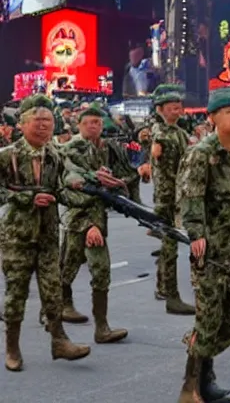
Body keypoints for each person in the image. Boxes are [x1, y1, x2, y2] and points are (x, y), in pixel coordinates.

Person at [175, 85, 230, 403]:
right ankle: (192, 388)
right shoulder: (201, 154)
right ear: (213, 117)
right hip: (210, 250)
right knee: (209, 318)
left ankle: (201, 361)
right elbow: (191, 196)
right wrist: (196, 234)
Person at [1, 94, 91, 372]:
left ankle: (59, 341)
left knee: (53, 290)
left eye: (48, 121)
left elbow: (65, 186)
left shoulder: (55, 155)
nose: (43, 126)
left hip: (49, 234)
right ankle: (12, 347)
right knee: (16, 292)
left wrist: (81, 191)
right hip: (17, 235)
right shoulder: (7, 156)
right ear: (22, 124)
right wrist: (27, 199)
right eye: (37, 121)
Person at [58, 104, 130, 344]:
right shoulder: (72, 149)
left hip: (96, 216)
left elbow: (124, 174)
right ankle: (62, 308)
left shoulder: (107, 148)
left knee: (90, 268)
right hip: (78, 216)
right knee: (71, 265)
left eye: (98, 123)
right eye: (89, 122)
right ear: (79, 125)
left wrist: (120, 183)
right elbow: (72, 183)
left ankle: (101, 326)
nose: (94, 126)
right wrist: (91, 224)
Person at [149, 84, 195, 315]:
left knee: (169, 244)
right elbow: (168, 169)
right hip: (168, 197)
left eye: (179, 107)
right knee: (170, 245)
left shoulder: (178, 132)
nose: (177, 111)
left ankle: (163, 287)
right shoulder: (163, 134)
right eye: (172, 108)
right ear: (160, 109)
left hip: (176, 194)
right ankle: (169, 292)